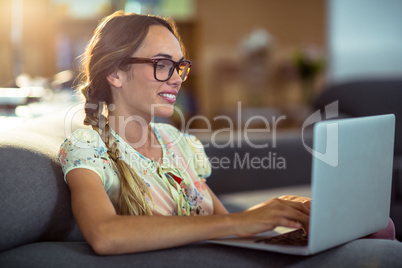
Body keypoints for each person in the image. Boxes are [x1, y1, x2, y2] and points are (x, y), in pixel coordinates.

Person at [58, 11, 311, 255]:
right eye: (163, 64)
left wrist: (275, 212)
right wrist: (239, 222)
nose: (178, 79)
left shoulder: (175, 141)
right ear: (115, 73)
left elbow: (225, 225)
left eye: (180, 66)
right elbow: (104, 235)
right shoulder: (87, 148)